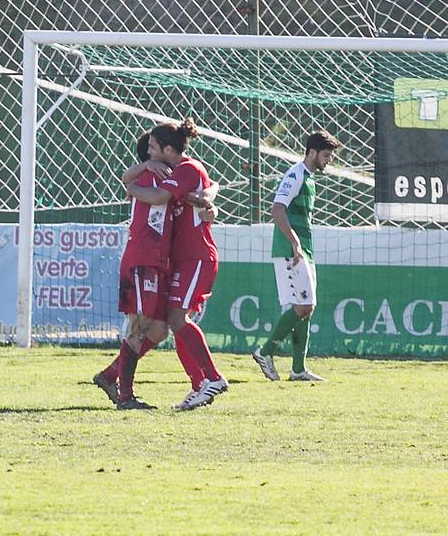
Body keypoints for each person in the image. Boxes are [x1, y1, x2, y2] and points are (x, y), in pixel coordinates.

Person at [96, 132, 216, 410]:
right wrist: (134, 182)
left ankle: (109, 375)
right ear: (153, 156)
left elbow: (198, 192)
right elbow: (159, 193)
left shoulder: (165, 177)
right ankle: (125, 396)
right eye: (150, 148)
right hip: (143, 260)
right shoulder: (153, 178)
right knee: (139, 326)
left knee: (160, 329)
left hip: (159, 262)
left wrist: (210, 200)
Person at [124, 118, 228, 411]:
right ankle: (200, 384)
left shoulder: (186, 169)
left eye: (154, 148)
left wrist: (132, 189)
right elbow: (205, 191)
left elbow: (163, 195)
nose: (150, 154)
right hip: (180, 259)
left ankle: (212, 378)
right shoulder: (175, 172)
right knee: (172, 321)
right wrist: (208, 197)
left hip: (196, 255)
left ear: (168, 149)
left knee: (176, 319)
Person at [253, 131, 342, 382]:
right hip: (289, 250)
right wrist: (293, 242)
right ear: (312, 152)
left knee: (307, 307)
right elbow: (277, 208)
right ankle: (265, 351)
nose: (329, 161)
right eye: (326, 155)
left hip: (303, 250)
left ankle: (298, 369)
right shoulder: (296, 174)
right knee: (303, 305)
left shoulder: (310, 177)